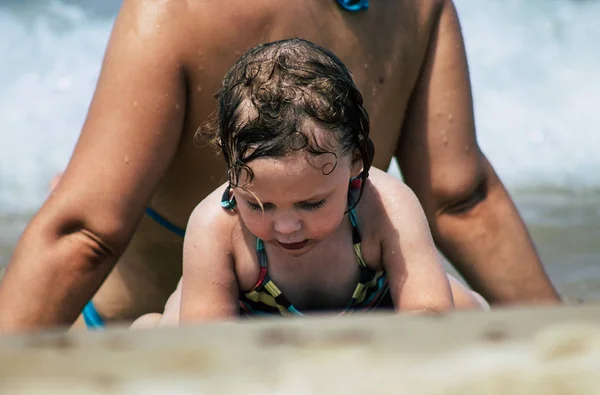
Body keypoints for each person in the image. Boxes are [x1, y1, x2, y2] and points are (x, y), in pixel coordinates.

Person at [0, 0, 559, 333]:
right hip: (192, 335)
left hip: (134, 338)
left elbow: (86, 233)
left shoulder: (181, 10)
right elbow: (461, 199)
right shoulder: (412, 7)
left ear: (357, 168)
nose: (285, 222)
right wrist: (561, 341)